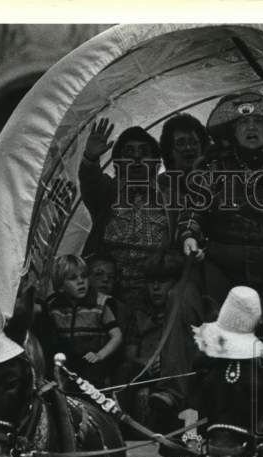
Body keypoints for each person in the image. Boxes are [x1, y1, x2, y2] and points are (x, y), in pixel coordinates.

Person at [178, 92, 263, 328]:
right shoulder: (214, 167)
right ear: (233, 130)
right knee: (219, 337)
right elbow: (193, 208)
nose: (251, 127)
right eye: (243, 122)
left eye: (259, 121)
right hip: (221, 266)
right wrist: (189, 235)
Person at [79, 120, 168, 317]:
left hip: (155, 292)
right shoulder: (107, 193)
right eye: (129, 154)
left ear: (156, 163)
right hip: (111, 291)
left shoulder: (169, 199)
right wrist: (90, 159)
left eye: (144, 153)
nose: (136, 158)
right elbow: (90, 181)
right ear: (118, 165)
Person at [122, 255, 203, 430]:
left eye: (163, 282)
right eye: (151, 282)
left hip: (174, 370)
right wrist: (146, 362)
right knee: (126, 372)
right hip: (145, 367)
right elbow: (130, 352)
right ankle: (124, 427)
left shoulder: (182, 308)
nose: (156, 288)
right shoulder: (140, 312)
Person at [42, 254, 123, 387]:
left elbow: (117, 336)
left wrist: (100, 355)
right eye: (73, 278)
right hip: (65, 366)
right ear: (61, 286)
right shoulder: (53, 307)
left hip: (92, 368)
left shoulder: (100, 303)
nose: (81, 281)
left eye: (84, 276)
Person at [157, 113, 211, 246]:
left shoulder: (214, 181)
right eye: (181, 143)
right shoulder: (160, 185)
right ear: (169, 149)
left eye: (193, 142)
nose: (188, 148)